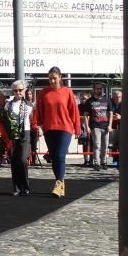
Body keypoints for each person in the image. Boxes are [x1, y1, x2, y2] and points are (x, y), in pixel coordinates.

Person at [33, 66, 81, 197]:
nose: (52, 81)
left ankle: (58, 183)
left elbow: (74, 110)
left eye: (54, 78)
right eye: (50, 79)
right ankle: (60, 184)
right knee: (54, 158)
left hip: (65, 128)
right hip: (49, 128)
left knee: (60, 155)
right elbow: (39, 110)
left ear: (60, 77)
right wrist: (36, 124)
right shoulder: (43, 93)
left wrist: (77, 127)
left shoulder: (67, 92)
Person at [6, 80, 33, 195]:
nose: (18, 92)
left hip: (25, 132)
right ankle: (16, 188)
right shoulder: (8, 104)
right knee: (14, 161)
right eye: (15, 90)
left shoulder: (29, 104)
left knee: (22, 160)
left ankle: (25, 186)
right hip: (13, 134)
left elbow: (32, 120)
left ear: (24, 90)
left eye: (20, 90)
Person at [83, 83, 113, 170]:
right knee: (97, 145)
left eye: (101, 89)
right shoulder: (89, 101)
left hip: (105, 125)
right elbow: (85, 114)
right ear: (94, 90)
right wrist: (87, 127)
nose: (99, 90)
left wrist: (110, 124)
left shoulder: (107, 100)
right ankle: (97, 163)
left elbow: (111, 113)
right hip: (95, 125)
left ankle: (104, 162)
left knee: (105, 146)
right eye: (97, 89)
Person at [25, 86, 40, 166]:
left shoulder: (35, 105)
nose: (29, 95)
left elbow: (38, 116)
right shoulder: (24, 104)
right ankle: (27, 159)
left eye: (30, 94)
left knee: (34, 144)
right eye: (27, 94)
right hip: (27, 126)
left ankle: (34, 160)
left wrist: (39, 127)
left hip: (34, 126)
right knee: (27, 144)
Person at [109, 89, 122, 167]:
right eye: (115, 97)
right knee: (113, 144)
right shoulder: (110, 103)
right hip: (113, 126)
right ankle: (115, 160)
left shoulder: (125, 104)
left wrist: (121, 117)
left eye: (119, 97)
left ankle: (121, 160)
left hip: (122, 127)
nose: (117, 99)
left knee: (121, 144)